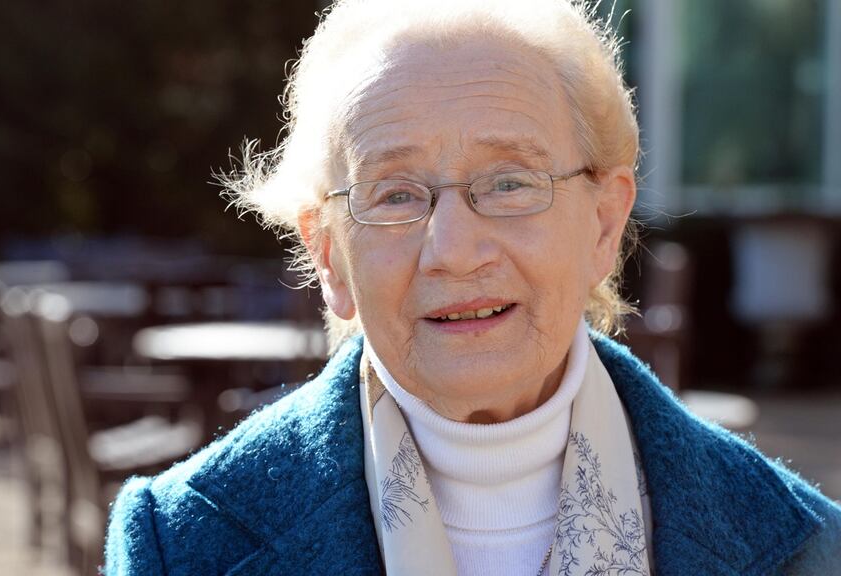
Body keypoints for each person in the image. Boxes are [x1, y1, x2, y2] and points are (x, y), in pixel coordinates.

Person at [105, 0, 841, 574]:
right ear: (328, 254)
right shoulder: (181, 543)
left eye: (511, 182)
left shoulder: (807, 548)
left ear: (603, 225)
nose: (453, 251)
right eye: (394, 195)